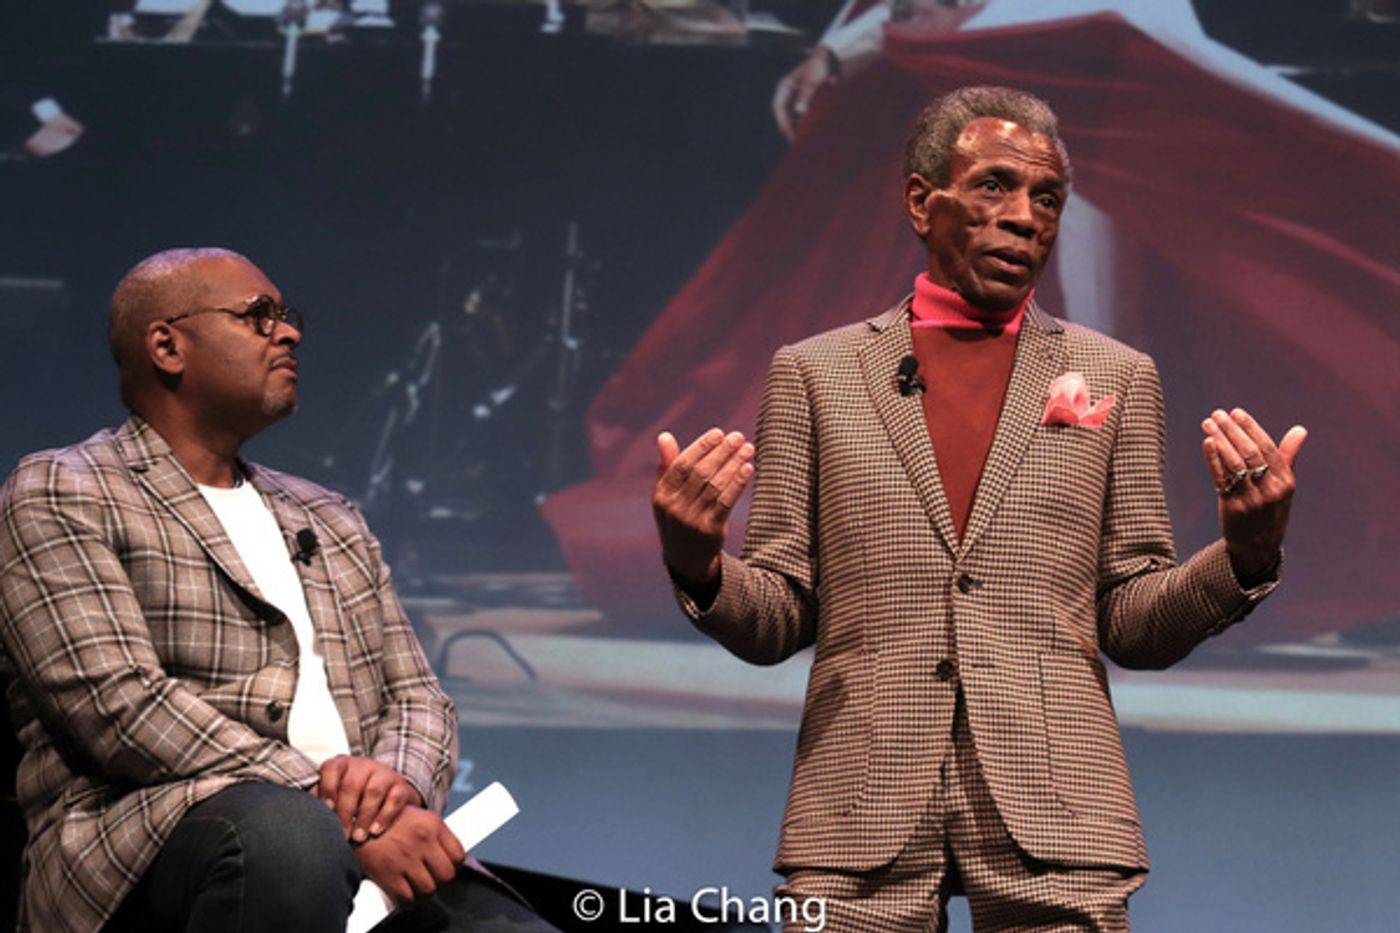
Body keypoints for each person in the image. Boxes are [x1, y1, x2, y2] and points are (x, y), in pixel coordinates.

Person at [651, 87, 1304, 931]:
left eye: (1047, 199)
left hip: (1057, 808)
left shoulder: (1119, 376)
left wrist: (1244, 555)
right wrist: (697, 562)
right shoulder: (816, 374)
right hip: (861, 807)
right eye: (995, 185)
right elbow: (780, 614)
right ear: (923, 202)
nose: (1026, 217)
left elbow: (1134, 621)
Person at [0, 248, 555, 933]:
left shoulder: (328, 515)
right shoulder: (63, 490)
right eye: (258, 315)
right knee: (289, 844)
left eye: (286, 316)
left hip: (363, 843)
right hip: (161, 838)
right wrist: (324, 799)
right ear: (167, 346)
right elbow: (117, 705)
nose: (288, 332)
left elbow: (418, 698)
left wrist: (398, 784)